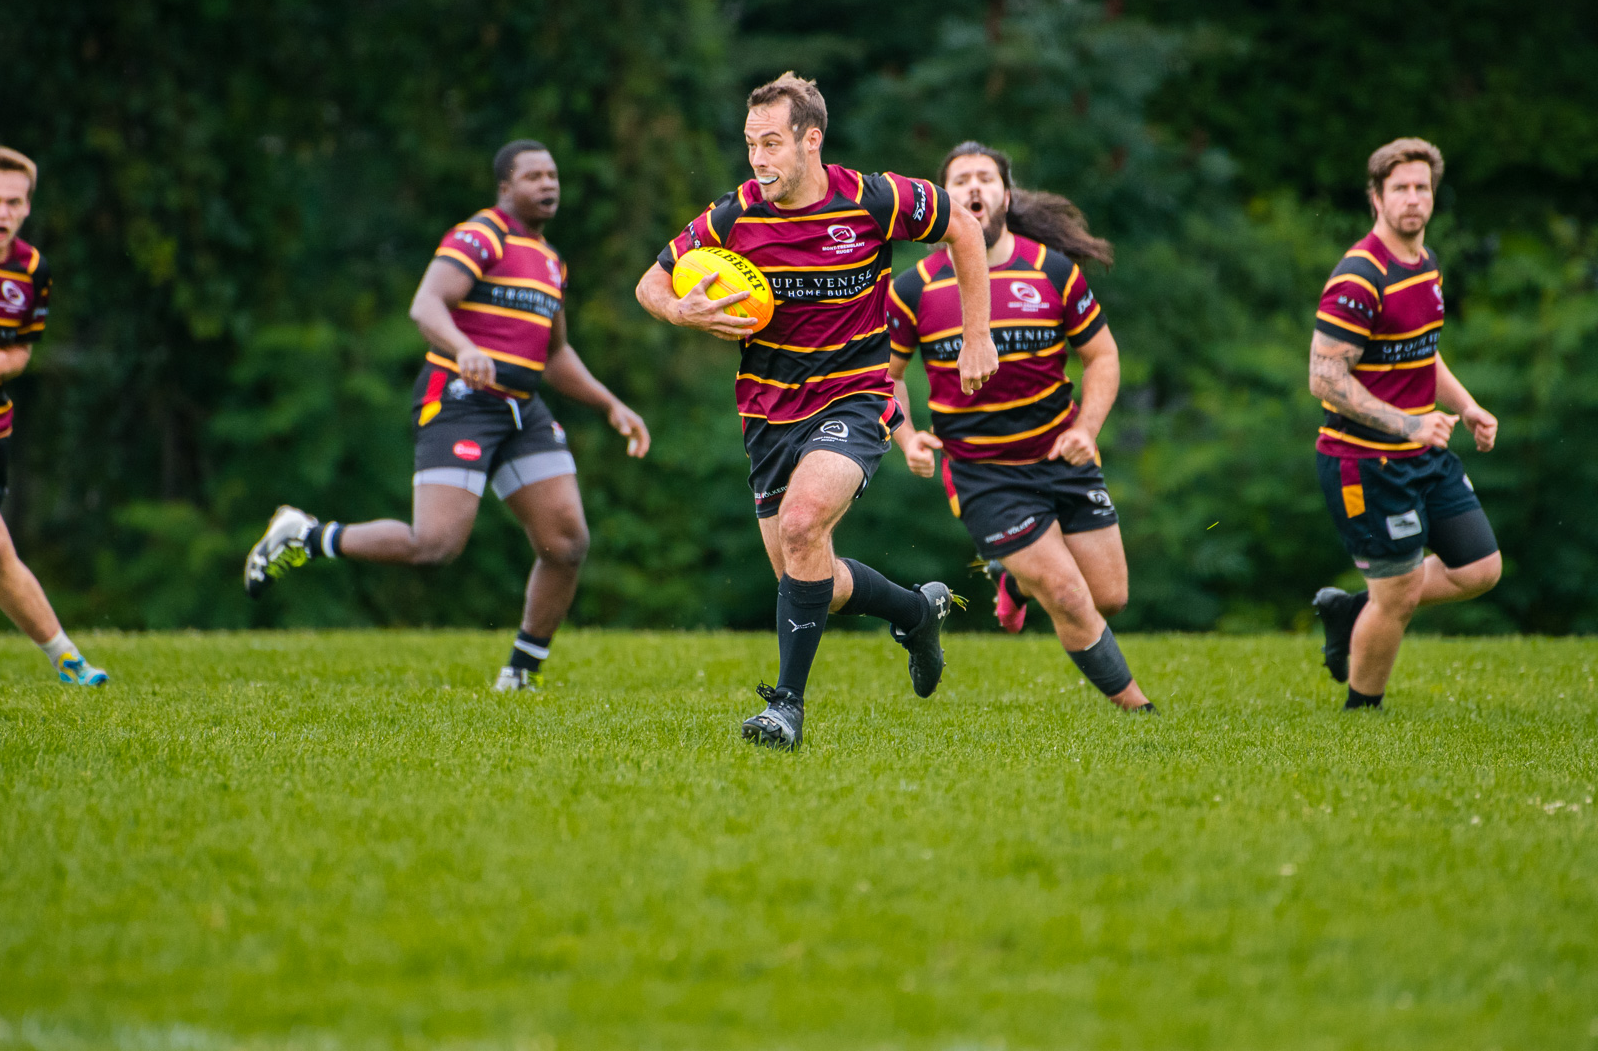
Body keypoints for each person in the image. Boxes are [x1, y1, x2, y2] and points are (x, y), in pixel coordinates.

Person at [635, 72, 997, 749]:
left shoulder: (874, 199)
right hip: (768, 415)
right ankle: (917, 612)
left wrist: (977, 335)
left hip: (857, 397)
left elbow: (965, 230)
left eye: (772, 143)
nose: (759, 159)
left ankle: (786, 708)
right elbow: (650, 282)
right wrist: (679, 309)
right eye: (751, 145)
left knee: (803, 525)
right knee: (810, 577)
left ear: (811, 140)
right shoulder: (736, 215)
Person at [245, 140, 650, 690]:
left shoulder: (551, 261)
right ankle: (308, 535)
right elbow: (426, 304)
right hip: (460, 400)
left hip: (521, 409)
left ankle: (519, 675)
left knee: (566, 543)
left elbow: (553, 354)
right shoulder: (480, 234)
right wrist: (464, 348)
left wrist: (610, 405)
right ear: (505, 186)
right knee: (434, 546)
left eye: (553, 175)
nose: (548, 184)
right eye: (533, 176)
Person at [887, 141, 1153, 713]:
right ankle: (1141, 710)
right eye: (960, 180)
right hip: (984, 474)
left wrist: (1088, 428)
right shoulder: (914, 288)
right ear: (941, 199)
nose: (974, 188)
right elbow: (886, 376)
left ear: (1007, 195)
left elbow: (1103, 358)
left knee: (1108, 597)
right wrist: (906, 436)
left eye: (986, 178)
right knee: (1066, 594)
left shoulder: (1051, 270)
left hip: (1062, 457)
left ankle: (1011, 575)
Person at [1307, 137, 1502, 708]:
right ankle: (1363, 713)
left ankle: (1353, 609)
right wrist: (1409, 425)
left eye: (1422, 187)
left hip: (1424, 453)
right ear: (1376, 197)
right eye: (1400, 189)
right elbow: (1325, 380)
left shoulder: (1426, 266)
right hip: (1364, 463)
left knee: (1480, 568)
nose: (1413, 199)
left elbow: (1421, 352)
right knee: (1399, 593)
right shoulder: (1358, 278)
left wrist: (1466, 406)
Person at [0, 146, 107, 685]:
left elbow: (24, 351)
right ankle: (68, 659)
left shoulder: (32, 271)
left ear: (27, 207)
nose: (1, 213)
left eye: (13, 202)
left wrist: (0, 363)